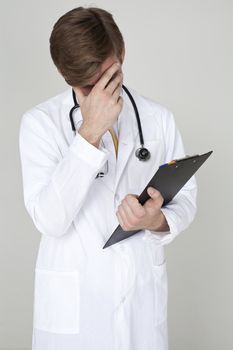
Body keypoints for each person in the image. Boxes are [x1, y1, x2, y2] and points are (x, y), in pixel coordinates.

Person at [19, 6, 197, 350]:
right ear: (62, 71)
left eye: (106, 77)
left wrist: (157, 219)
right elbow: (50, 220)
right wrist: (89, 134)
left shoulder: (157, 119)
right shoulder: (39, 124)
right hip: (75, 311)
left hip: (139, 304)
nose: (97, 90)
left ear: (122, 53)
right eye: (85, 86)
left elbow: (186, 199)